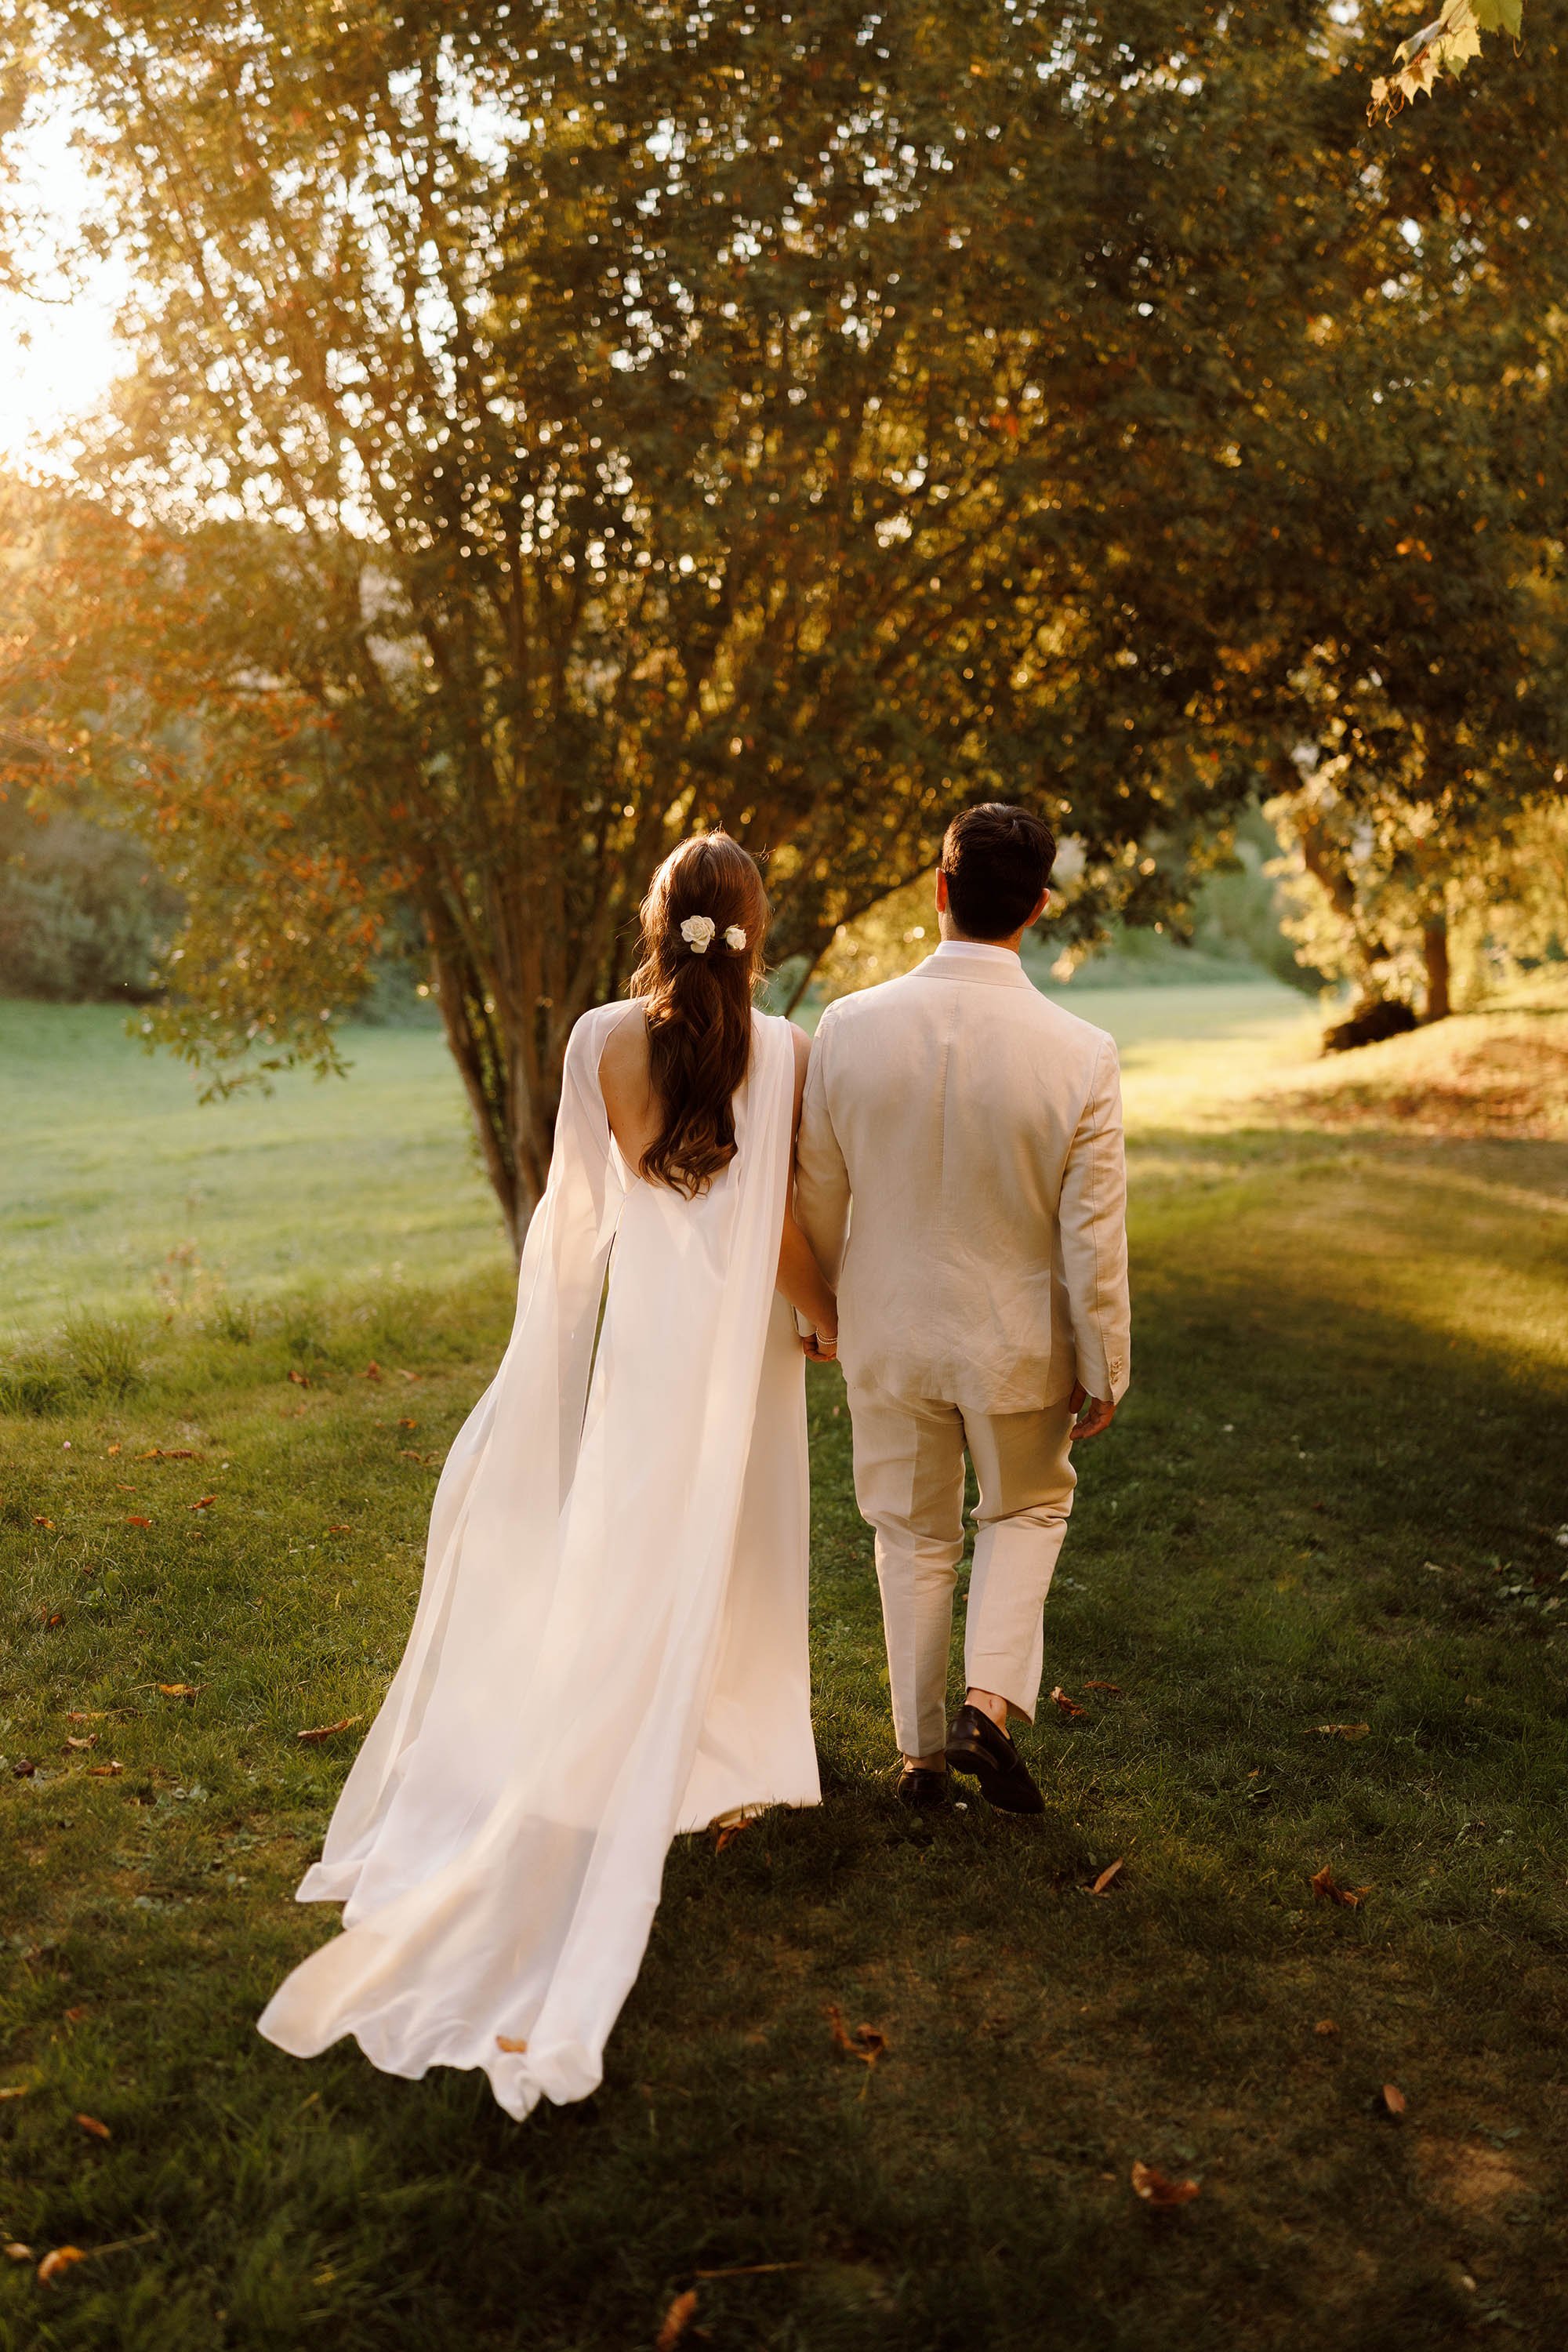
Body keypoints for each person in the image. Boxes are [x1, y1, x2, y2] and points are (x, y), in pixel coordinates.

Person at [259, 834, 836, 2121]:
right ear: (751, 927)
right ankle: (689, 1734)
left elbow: (575, 1216)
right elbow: (784, 1222)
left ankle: (637, 1723)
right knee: (724, 1535)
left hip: (646, 1338)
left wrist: (554, 1350)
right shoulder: (786, 1047)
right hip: (738, 1352)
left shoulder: (594, 1041)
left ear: (661, 919)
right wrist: (826, 1312)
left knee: (626, 1537)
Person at [795, 802, 1130, 1815]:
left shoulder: (848, 1029)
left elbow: (816, 1191)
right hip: (1016, 1337)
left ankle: (918, 1759)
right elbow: (1094, 1236)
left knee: (909, 1534)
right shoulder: (1081, 1052)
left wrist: (820, 1314)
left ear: (938, 891)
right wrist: (1104, 1360)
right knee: (1028, 1508)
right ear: (1036, 909)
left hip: (884, 1329)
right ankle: (987, 1701)